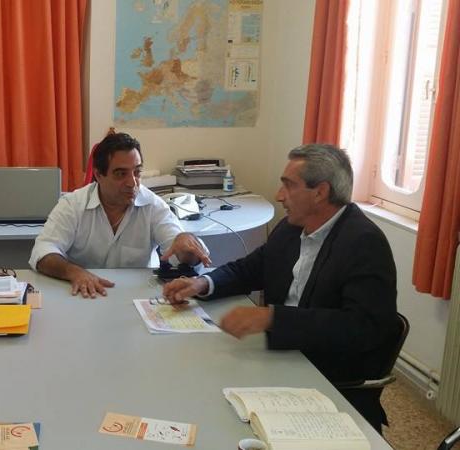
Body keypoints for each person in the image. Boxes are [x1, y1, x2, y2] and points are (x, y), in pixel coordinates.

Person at [163, 144, 398, 432]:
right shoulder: (291, 227)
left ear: (320, 192)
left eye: (289, 185)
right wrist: (203, 282)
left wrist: (272, 318)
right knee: (193, 379)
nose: (279, 195)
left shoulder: (364, 243)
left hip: (324, 377)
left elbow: (362, 327)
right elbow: (251, 268)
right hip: (281, 354)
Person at [29, 132, 211, 298]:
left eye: (137, 172)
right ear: (98, 175)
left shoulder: (153, 205)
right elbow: (43, 251)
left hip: (137, 296)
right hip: (83, 294)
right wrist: (74, 272)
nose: (132, 183)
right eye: (121, 174)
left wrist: (188, 247)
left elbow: (181, 253)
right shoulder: (73, 204)